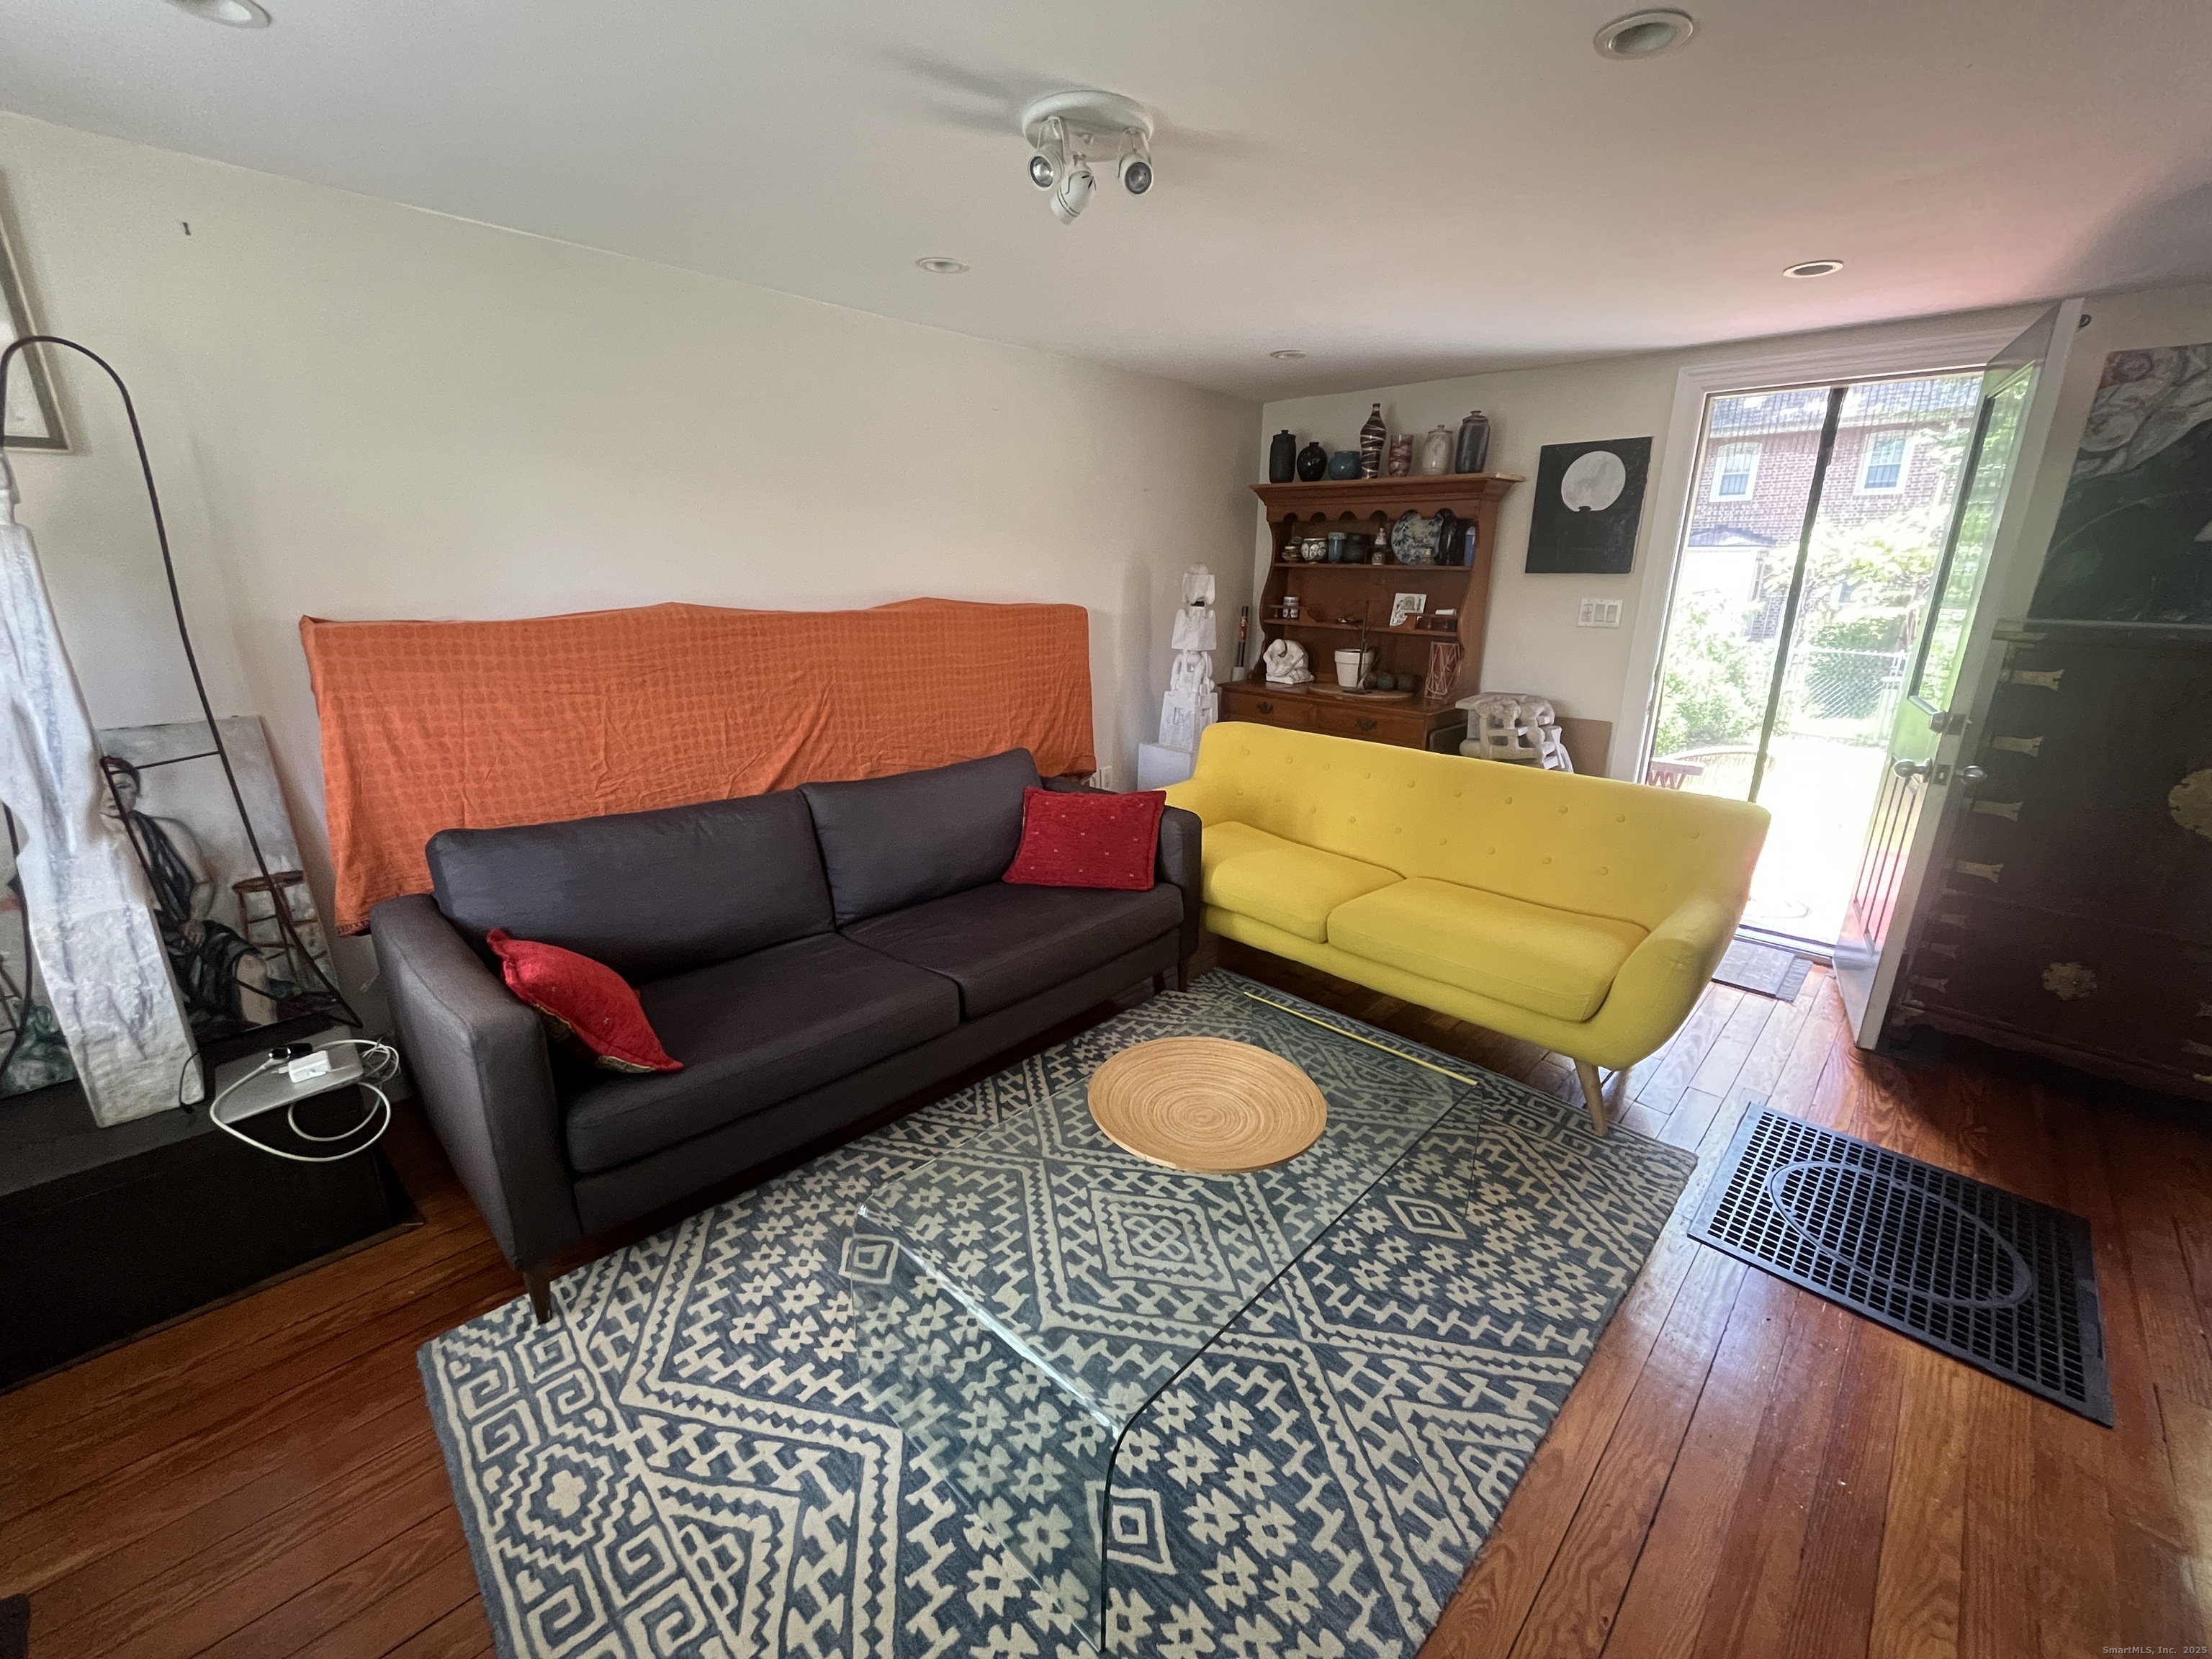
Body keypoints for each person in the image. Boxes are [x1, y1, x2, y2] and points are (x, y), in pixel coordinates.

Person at [96, 756, 274, 1032]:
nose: (112, 795)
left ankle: (272, 1044)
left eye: (122, 786)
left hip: (185, 928)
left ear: (137, 790)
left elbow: (204, 883)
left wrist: (196, 918)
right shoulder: (85, 845)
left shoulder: (168, 830)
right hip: (131, 942)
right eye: (102, 787)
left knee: (252, 967)